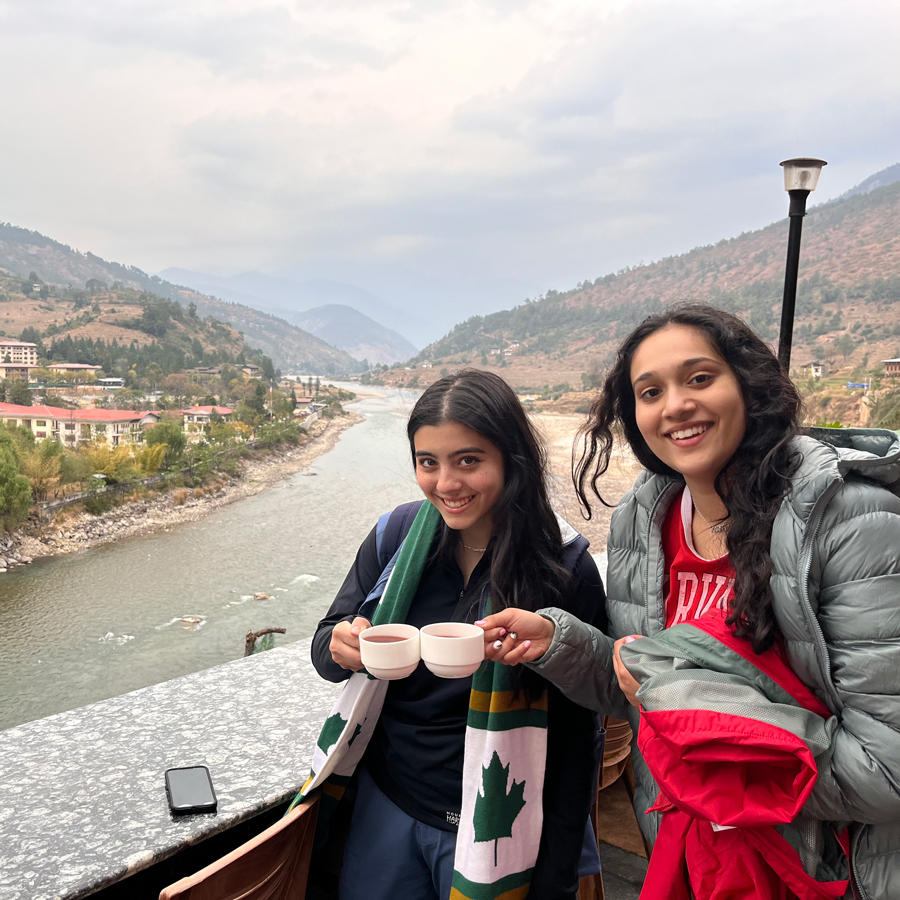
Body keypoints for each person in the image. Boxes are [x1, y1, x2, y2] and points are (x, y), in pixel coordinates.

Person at [478, 305, 900, 899]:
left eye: (699, 378)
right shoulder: (642, 521)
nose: (675, 405)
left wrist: (699, 752)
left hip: (821, 870)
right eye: (650, 391)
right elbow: (644, 691)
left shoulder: (850, 525)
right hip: (693, 862)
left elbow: (886, 769)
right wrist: (562, 644)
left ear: (748, 386)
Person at [310, 368, 607, 900]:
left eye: (468, 460)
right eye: (428, 463)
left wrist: (556, 873)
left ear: (510, 459)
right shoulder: (397, 536)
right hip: (392, 798)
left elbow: (576, 735)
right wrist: (341, 646)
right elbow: (328, 642)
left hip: (499, 812)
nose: (446, 484)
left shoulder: (562, 568)